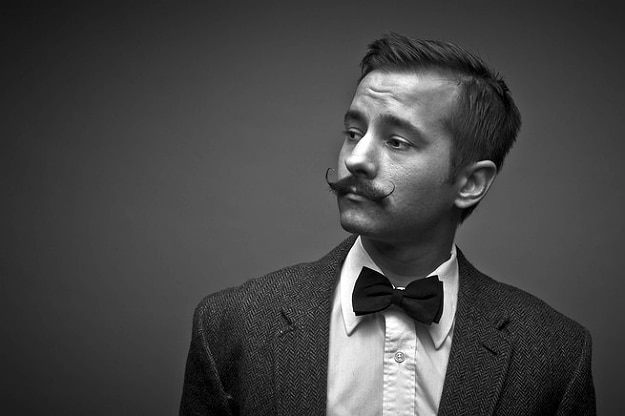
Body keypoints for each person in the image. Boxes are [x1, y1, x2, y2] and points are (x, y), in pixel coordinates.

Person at [180, 33, 596, 415]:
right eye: (353, 132)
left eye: (397, 141)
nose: (356, 158)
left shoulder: (554, 355)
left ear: (470, 183)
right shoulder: (232, 327)